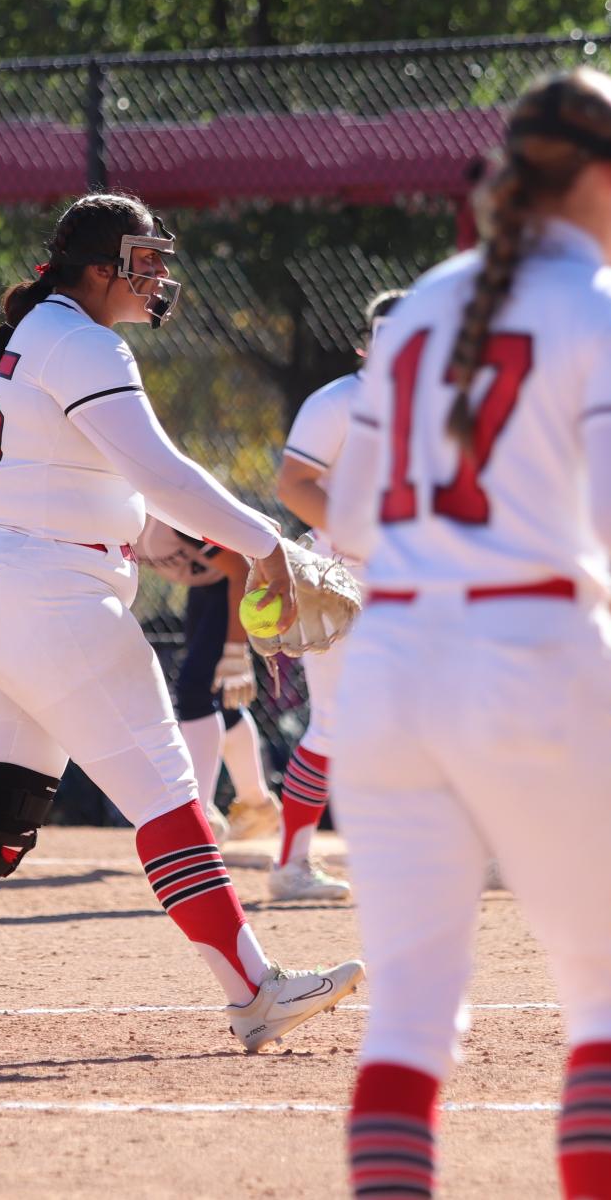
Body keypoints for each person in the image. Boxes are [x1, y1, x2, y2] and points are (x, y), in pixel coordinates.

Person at [323, 68, 611, 1199]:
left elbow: (352, 515)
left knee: (410, 1012)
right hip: (528, 661)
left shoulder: (420, 305)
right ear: (609, 178)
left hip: (390, 673)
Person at [0, 192, 362, 1057]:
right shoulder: (82, 339)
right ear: (97, 263)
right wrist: (266, 548)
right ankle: (253, 993)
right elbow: (160, 468)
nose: (156, 274)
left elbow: (101, 483)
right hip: (49, 597)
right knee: (167, 791)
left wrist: (160, 546)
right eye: (143, 257)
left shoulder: (52, 334)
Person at [267, 288, 410, 902]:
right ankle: (291, 867)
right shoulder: (340, 403)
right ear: (367, 344)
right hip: (346, 577)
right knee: (333, 724)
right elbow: (293, 484)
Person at [138, 519, 280, 845]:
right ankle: (257, 806)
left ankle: (198, 816)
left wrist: (235, 649)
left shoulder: (171, 517)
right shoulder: (115, 517)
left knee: (194, 692)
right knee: (220, 703)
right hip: (203, 588)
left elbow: (241, 570)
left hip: (236, 586)